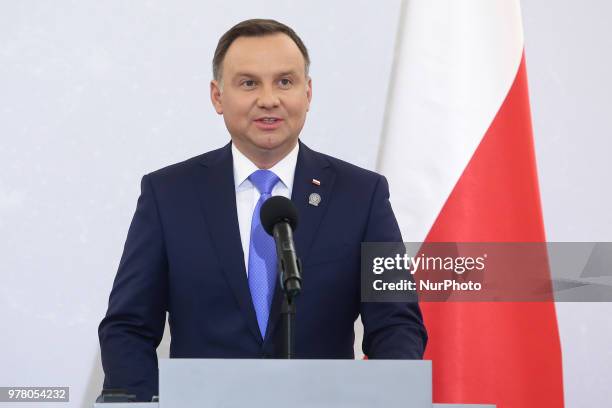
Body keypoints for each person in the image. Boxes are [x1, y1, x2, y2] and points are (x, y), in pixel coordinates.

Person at [98, 18, 427, 402]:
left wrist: (388, 399)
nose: (269, 99)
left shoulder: (363, 194)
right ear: (218, 96)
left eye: (284, 82)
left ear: (308, 92)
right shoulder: (168, 194)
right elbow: (128, 326)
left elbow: (396, 323)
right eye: (249, 83)